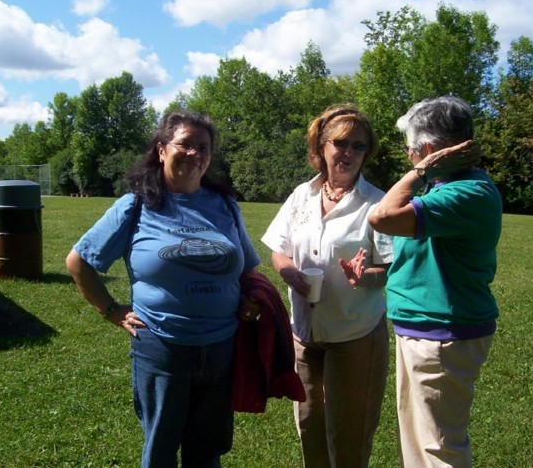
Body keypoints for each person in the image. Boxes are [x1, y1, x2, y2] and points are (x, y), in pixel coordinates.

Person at [65, 111, 261, 468]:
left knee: (208, 451)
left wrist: (250, 299)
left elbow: (247, 268)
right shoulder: (135, 205)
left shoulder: (226, 206)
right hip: (162, 348)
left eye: (203, 147)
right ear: (161, 149)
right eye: (185, 143)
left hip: (221, 348)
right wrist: (112, 310)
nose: (194, 153)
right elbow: (78, 262)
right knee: (160, 451)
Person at [368, 95, 502, 467]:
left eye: (411, 151)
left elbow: (382, 217)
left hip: (443, 334)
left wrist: (420, 171)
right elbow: (415, 256)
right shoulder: (445, 191)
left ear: (427, 151)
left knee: (438, 448)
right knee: (418, 440)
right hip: (426, 330)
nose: (409, 157)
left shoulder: (467, 193)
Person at [262, 104, 393, 467]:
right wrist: (288, 271)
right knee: (309, 426)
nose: (348, 152)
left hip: (354, 335)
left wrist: (364, 276)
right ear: (321, 147)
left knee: (349, 434)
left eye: (359, 146)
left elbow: (393, 267)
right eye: (340, 143)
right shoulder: (301, 195)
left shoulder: (377, 203)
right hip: (304, 336)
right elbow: (279, 249)